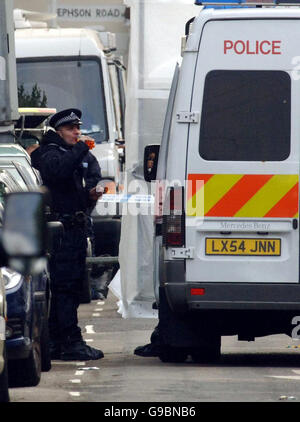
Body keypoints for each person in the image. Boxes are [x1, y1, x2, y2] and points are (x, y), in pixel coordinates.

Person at [31, 108, 104, 361]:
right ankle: (69, 341)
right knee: (64, 287)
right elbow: (58, 171)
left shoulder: (73, 153)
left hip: (73, 227)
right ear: (59, 131)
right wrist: (80, 148)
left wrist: (90, 196)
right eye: (72, 129)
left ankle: (58, 340)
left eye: (78, 128)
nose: (77, 133)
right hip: (58, 231)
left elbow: (76, 189)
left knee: (69, 288)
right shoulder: (47, 153)